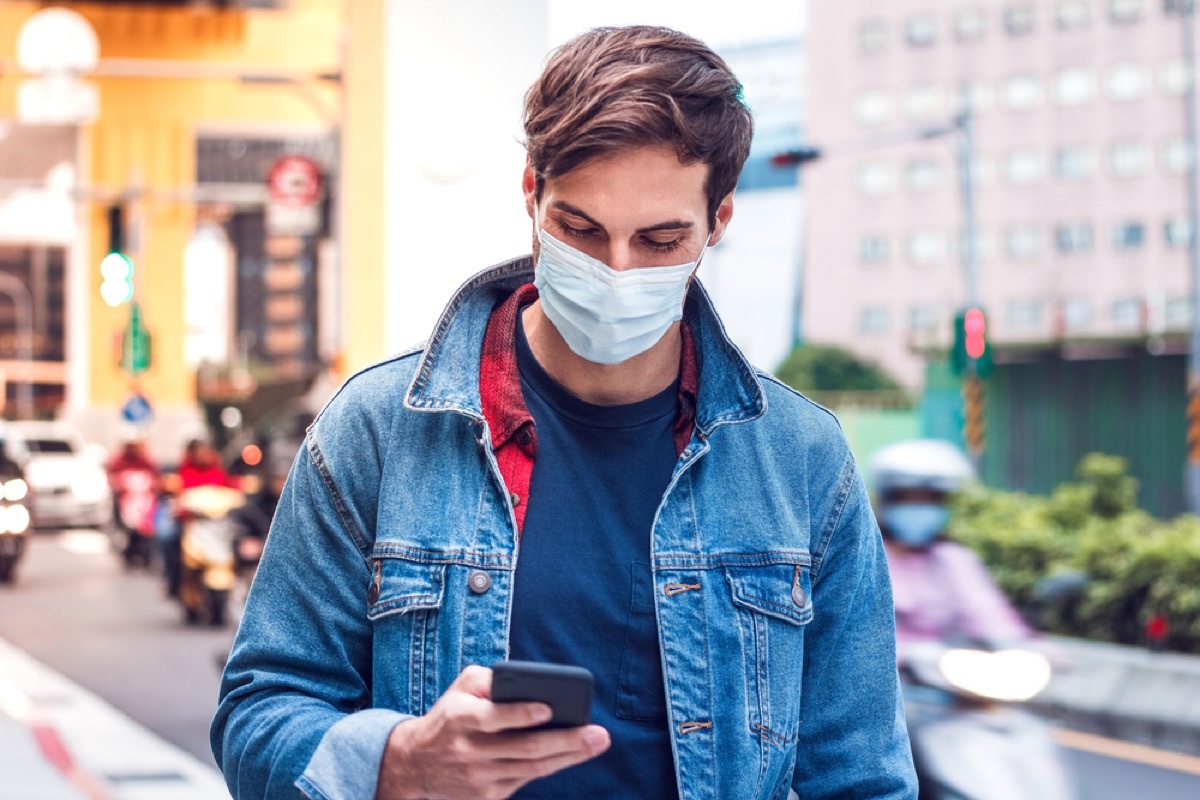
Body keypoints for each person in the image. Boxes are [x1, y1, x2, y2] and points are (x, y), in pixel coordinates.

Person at [212, 25, 916, 800]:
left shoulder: (803, 461)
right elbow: (258, 714)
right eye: (580, 229)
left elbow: (860, 778)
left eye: (659, 240)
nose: (616, 271)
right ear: (530, 194)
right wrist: (398, 762)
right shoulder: (380, 431)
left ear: (718, 223)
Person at [870, 439, 1030, 655]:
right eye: (910, 500)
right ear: (887, 501)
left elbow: (987, 613)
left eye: (929, 501)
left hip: (948, 675)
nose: (919, 511)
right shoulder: (867, 561)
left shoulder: (954, 559)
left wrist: (1020, 646)